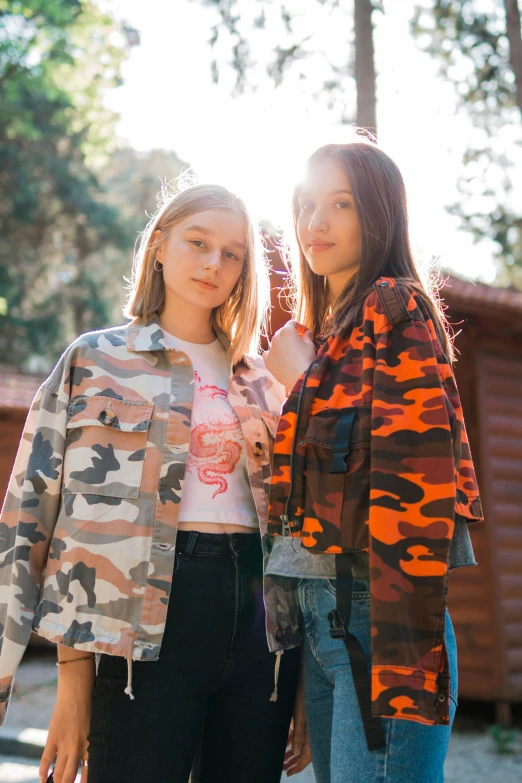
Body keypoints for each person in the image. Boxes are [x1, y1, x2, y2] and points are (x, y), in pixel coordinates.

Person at [0, 183, 309, 783]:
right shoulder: (94, 361)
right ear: (160, 245)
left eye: (233, 253)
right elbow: (35, 517)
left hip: (260, 640)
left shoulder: (264, 383)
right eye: (199, 243)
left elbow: (296, 534)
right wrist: (72, 678)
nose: (214, 263)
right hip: (142, 636)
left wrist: (302, 688)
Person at [262, 142, 483, 783]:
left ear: (379, 214)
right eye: (307, 205)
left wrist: (300, 383)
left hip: (380, 611)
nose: (315, 224)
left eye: (341, 205)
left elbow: (410, 474)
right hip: (324, 614)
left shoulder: (394, 304)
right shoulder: (334, 328)